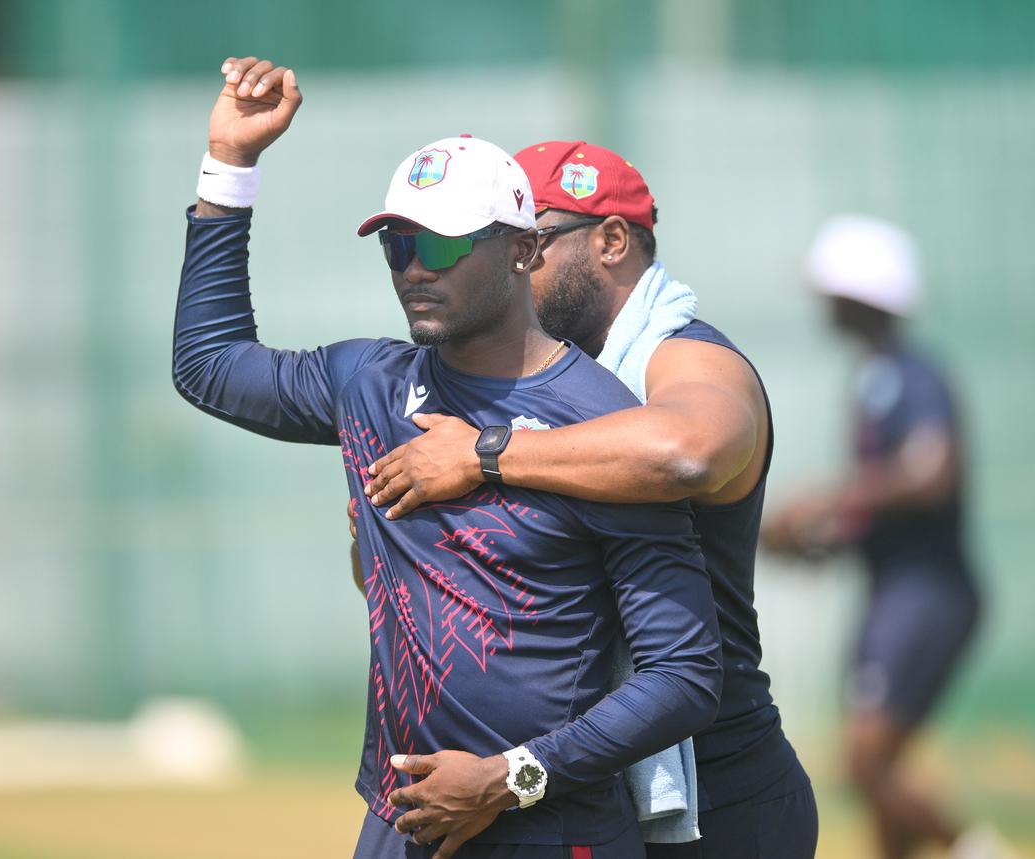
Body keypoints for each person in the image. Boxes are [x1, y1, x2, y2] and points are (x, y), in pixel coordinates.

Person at [173, 57, 722, 858]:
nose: (415, 267)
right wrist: (232, 161)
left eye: (442, 241)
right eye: (397, 243)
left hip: (549, 827)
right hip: (402, 822)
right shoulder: (368, 382)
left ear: (523, 251)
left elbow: (683, 676)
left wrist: (508, 778)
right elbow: (209, 365)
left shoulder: (599, 424)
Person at [360, 141, 818, 858]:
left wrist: (485, 453)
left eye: (531, 240)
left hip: (720, 793)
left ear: (609, 240)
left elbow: (686, 450)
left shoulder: (686, 355)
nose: (509, 262)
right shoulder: (536, 382)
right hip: (585, 786)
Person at [762, 215, 990, 859]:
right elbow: (883, 511)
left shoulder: (911, 376)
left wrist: (831, 498)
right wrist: (816, 543)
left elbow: (932, 472)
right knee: (878, 768)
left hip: (927, 593)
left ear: (860, 296)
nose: (822, 303)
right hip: (896, 590)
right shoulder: (874, 381)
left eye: (831, 290)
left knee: (866, 761)